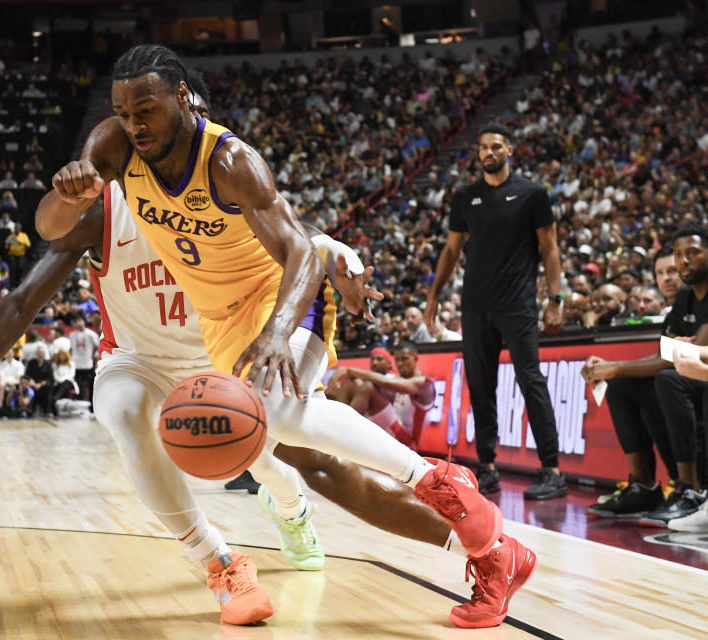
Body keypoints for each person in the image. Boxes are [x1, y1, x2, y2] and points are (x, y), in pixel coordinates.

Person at [37, 47, 529, 628]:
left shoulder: (230, 161)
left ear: (183, 98)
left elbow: (298, 248)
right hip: (220, 322)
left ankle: (445, 486)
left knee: (280, 412)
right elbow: (50, 228)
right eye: (123, 111)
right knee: (275, 431)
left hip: (287, 294)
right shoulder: (115, 146)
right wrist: (68, 192)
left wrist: (278, 330)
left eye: (146, 108)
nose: (134, 123)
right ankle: (495, 553)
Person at [425, 123, 565, 500]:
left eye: (496, 146)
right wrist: (434, 295)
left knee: (530, 380)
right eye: (484, 147)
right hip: (476, 304)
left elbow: (550, 248)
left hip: (518, 304)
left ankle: (552, 470)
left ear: (510, 150)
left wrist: (555, 299)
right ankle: (486, 467)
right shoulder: (465, 196)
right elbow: (452, 250)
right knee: (481, 385)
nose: (489, 152)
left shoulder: (532, 193)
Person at [583, 227, 708, 527]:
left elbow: (695, 354)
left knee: (667, 380)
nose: (684, 261)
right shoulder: (684, 297)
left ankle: (690, 490)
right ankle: (644, 487)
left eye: (693, 252)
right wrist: (614, 370)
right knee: (623, 386)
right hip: (691, 383)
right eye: (679, 255)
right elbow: (667, 353)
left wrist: (615, 365)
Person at [327, 343, 435, 451]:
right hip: (393, 432)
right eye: (397, 360)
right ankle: (336, 430)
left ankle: (339, 436)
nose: (400, 363)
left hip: (408, 444)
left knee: (368, 388)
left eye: (405, 359)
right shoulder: (400, 380)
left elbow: (385, 383)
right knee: (352, 383)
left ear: (416, 359)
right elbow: (379, 381)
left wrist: (348, 370)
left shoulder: (425, 384)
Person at [68, 316, 98, 402]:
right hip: (76, 363)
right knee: (77, 384)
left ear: (84, 322)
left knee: (88, 384)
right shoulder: (72, 335)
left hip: (87, 363)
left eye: (80, 321)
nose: (79, 323)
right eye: (77, 321)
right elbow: (70, 348)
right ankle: (78, 402)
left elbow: (98, 346)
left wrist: (94, 355)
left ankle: (88, 403)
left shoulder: (91, 334)